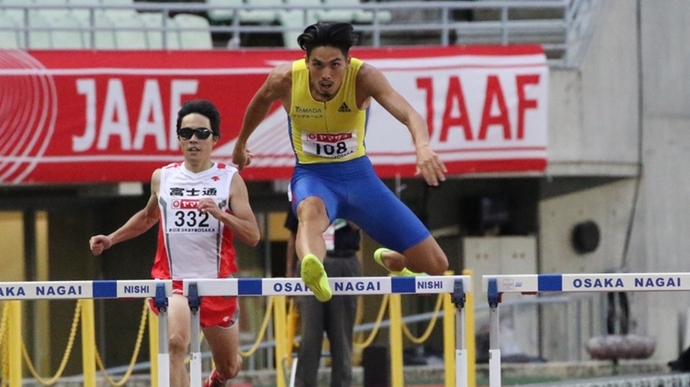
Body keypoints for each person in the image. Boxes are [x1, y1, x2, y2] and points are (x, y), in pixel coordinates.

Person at [232, 22, 449, 302]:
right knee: (310, 213)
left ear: (348, 61)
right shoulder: (284, 79)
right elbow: (259, 103)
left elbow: (409, 113)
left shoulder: (364, 77)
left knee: (437, 265)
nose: (326, 75)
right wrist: (240, 144)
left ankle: (397, 260)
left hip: (360, 179)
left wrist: (422, 146)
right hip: (313, 176)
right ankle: (312, 265)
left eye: (335, 65)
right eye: (318, 65)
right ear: (306, 62)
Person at [89, 99, 260, 387]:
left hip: (217, 283)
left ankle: (216, 380)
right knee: (176, 343)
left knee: (230, 367)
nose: (194, 139)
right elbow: (147, 217)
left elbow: (253, 236)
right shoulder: (163, 177)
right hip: (174, 282)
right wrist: (111, 238)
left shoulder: (229, 179)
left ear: (214, 139)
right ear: (179, 138)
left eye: (202, 133)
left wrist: (221, 214)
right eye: (186, 133)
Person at [285, 208, 361, 387]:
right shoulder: (305, 189)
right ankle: (304, 383)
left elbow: (358, 226)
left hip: (343, 260)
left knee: (341, 335)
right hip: (311, 263)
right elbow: (293, 234)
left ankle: (342, 383)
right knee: (310, 335)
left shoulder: (348, 190)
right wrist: (289, 274)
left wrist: (344, 207)